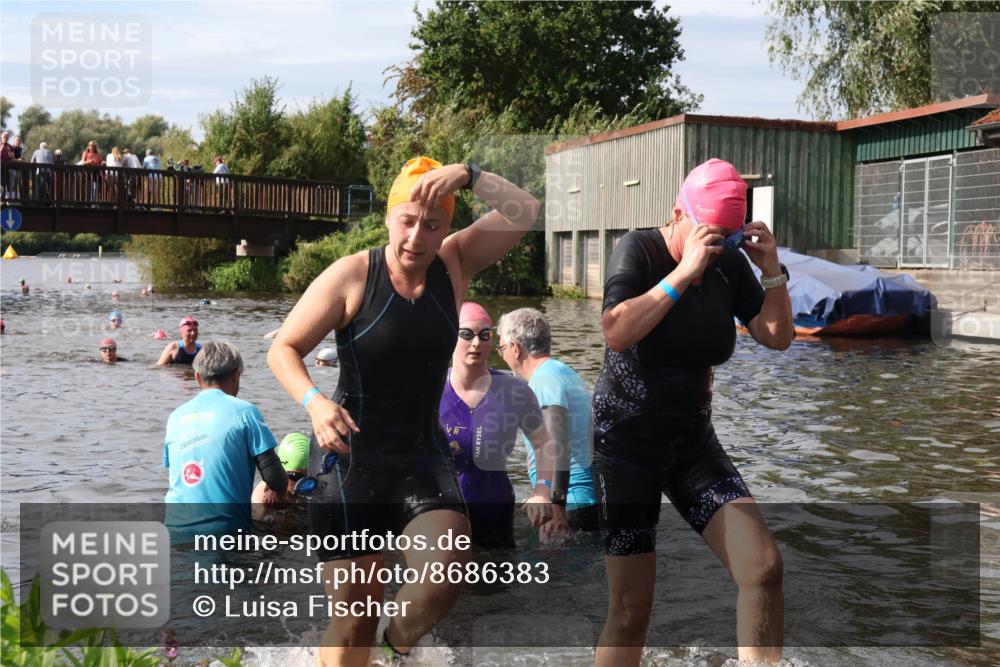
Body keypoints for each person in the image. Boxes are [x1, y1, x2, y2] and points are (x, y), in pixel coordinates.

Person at [267, 156, 541, 665]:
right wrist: (315, 401)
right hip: (351, 460)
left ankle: (396, 651)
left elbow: (525, 210)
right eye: (408, 220)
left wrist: (472, 175)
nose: (417, 236)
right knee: (353, 624)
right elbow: (283, 349)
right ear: (390, 217)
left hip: (421, 455)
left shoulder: (455, 262)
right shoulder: (352, 274)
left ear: (447, 227)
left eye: (432, 224)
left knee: (449, 568)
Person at [591, 158, 793, 666]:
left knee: (763, 568)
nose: (718, 246)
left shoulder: (728, 261)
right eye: (709, 233)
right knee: (632, 609)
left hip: (692, 447)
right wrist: (683, 273)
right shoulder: (638, 249)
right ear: (678, 213)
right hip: (626, 447)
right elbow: (615, 330)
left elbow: (777, 337)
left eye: (728, 237)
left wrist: (771, 272)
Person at [438, 302, 554, 548]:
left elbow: (544, 444)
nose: (476, 343)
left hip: (494, 509)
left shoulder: (514, 390)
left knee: (494, 584)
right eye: (466, 334)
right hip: (438, 512)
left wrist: (542, 492)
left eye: (485, 335)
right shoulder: (429, 388)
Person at [163, 341, 288, 539]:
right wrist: (279, 496)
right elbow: (275, 477)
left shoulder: (175, 417)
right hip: (225, 532)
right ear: (236, 375)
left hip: (174, 528)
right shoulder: (245, 412)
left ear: (197, 377)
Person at [496, 307, 598, 539]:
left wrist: (557, 507)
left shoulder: (544, 380)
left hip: (571, 504)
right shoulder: (563, 372)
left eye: (501, 348)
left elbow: (557, 444)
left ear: (515, 348)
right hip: (584, 501)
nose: (502, 355)